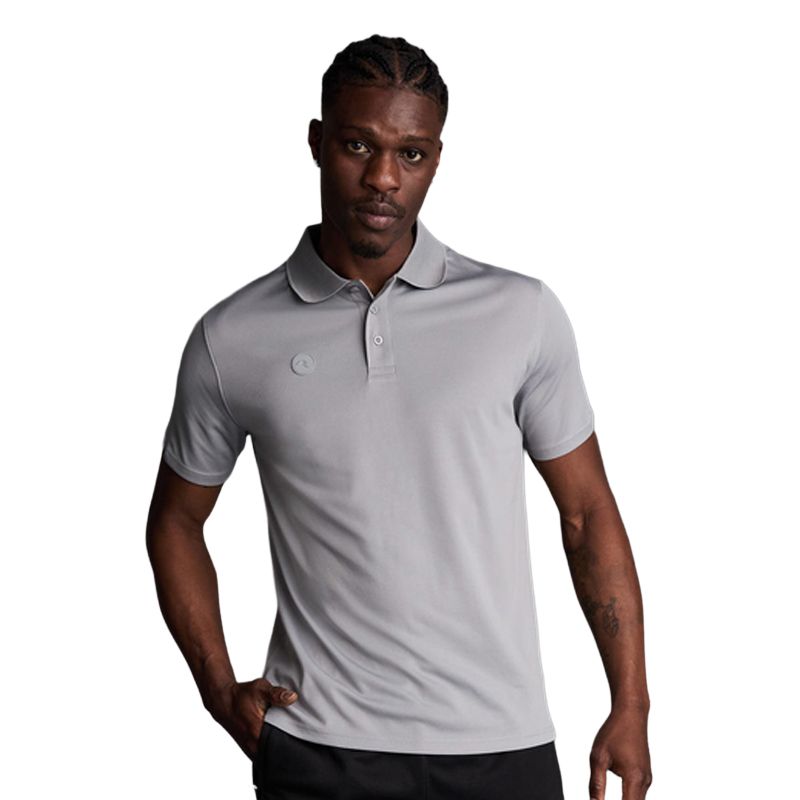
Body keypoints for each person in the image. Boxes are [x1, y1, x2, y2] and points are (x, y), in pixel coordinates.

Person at [146, 34, 652, 800]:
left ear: (436, 159)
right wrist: (218, 688)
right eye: (359, 146)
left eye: (410, 154)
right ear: (317, 143)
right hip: (319, 748)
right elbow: (176, 522)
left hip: (501, 744)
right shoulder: (234, 335)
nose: (383, 178)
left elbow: (586, 514)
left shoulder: (519, 314)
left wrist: (631, 703)